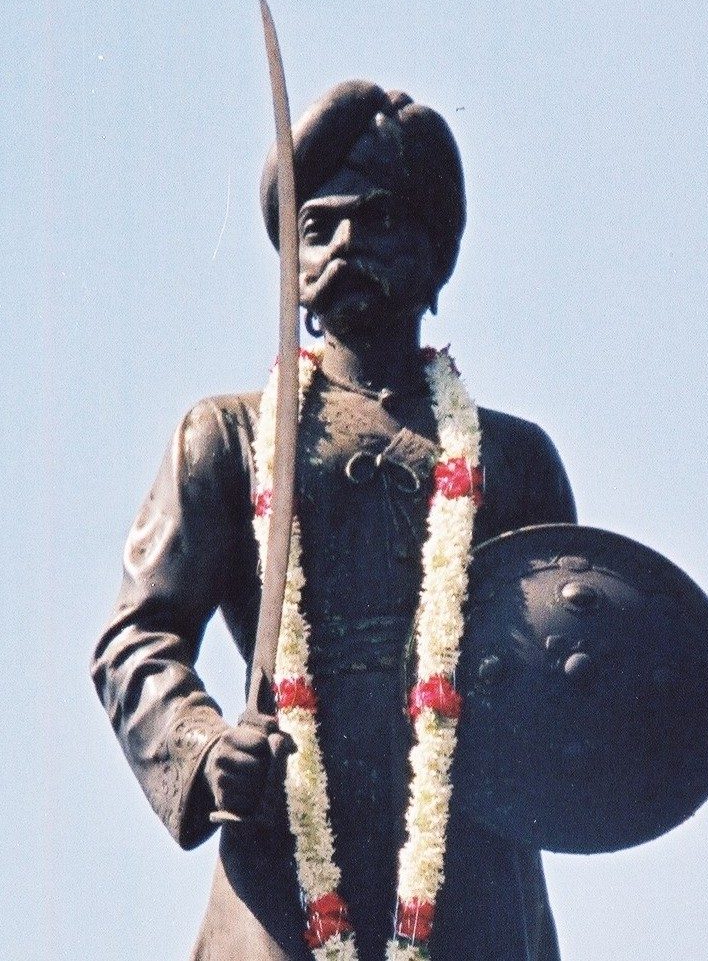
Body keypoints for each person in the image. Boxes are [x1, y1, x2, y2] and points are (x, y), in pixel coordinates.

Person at [92, 81, 576, 961]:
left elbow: (568, 670)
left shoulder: (513, 461)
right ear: (291, 264)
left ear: (437, 250)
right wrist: (201, 747)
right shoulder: (228, 436)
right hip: (286, 864)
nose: (345, 243)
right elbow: (137, 636)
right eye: (317, 227)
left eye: (379, 218)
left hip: (468, 876)